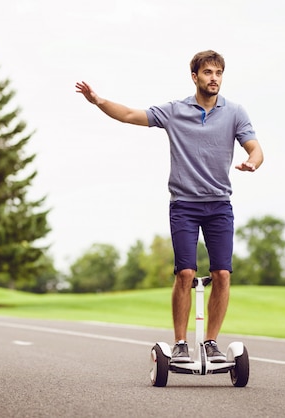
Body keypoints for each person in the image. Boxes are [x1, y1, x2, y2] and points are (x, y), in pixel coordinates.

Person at [75, 50, 263, 363]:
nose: (213, 78)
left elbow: (255, 148)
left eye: (218, 73)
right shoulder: (175, 111)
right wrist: (98, 101)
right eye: (207, 73)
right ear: (195, 77)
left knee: (223, 273)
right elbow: (130, 115)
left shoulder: (235, 113)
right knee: (185, 273)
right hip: (185, 205)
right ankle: (179, 343)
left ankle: (211, 343)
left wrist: (253, 163)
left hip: (219, 205)